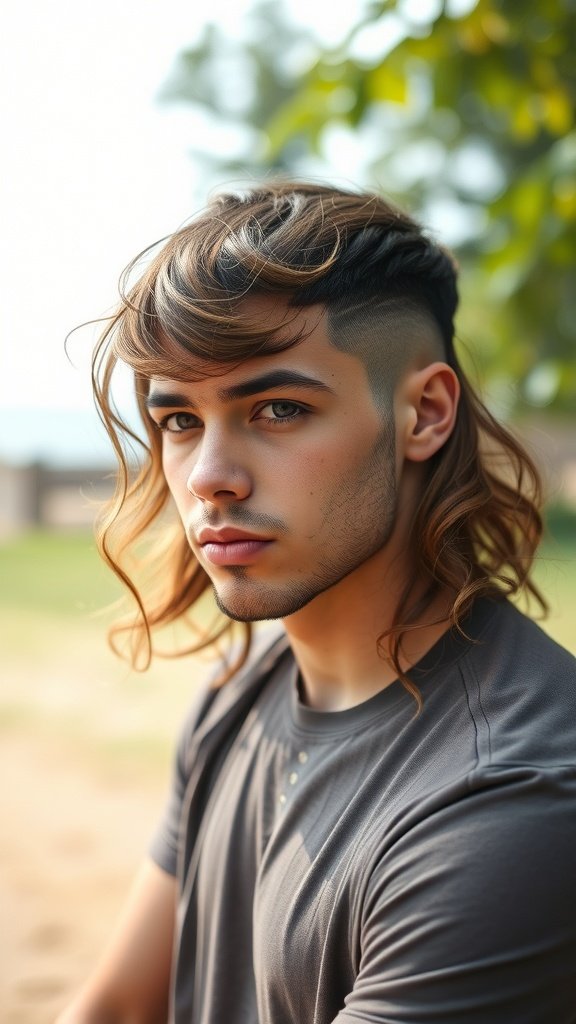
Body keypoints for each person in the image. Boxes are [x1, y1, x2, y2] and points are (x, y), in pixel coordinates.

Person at [56, 181, 576, 1024]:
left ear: (425, 413)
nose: (210, 478)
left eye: (279, 408)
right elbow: (116, 1008)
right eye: (180, 420)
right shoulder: (240, 693)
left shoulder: (512, 801)